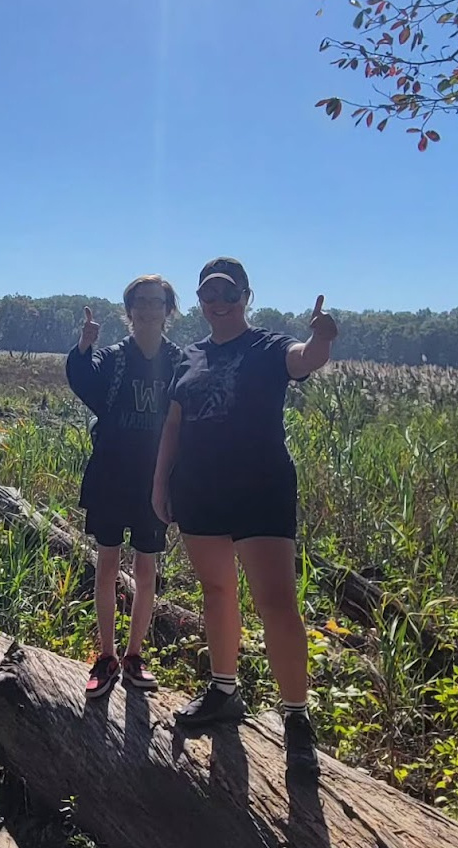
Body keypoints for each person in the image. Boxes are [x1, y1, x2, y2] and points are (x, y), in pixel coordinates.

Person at [151, 257, 337, 774]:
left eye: (228, 293)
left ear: (246, 296)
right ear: (200, 300)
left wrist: (322, 339)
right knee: (217, 592)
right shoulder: (189, 356)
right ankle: (224, 691)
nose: (218, 302)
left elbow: (304, 359)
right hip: (199, 489)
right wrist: (160, 483)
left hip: (261, 488)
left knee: (276, 603)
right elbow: (173, 424)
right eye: (208, 294)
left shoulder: (268, 346)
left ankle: (296, 717)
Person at [67, 274, 182, 699]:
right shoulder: (114, 358)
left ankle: (134, 656)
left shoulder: (178, 361)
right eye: (141, 302)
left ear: (168, 310)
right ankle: (106, 655)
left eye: (156, 302)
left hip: (155, 480)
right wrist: (84, 346)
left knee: (147, 570)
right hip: (112, 476)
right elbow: (83, 378)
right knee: (107, 565)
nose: (148, 309)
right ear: (129, 310)